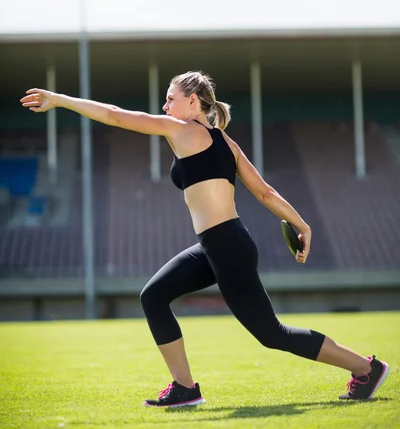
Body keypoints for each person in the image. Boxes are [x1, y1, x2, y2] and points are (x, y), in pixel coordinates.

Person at [21, 70, 389, 407]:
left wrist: (61, 99)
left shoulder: (180, 130)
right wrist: (302, 224)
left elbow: (115, 114)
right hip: (218, 245)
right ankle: (184, 387)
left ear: (193, 100)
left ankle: (365, 367)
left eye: (170, 98)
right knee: (154, 296)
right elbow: (265, 193)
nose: (165, 106)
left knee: (271, 334)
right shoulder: (224, 142)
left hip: (227, 245)